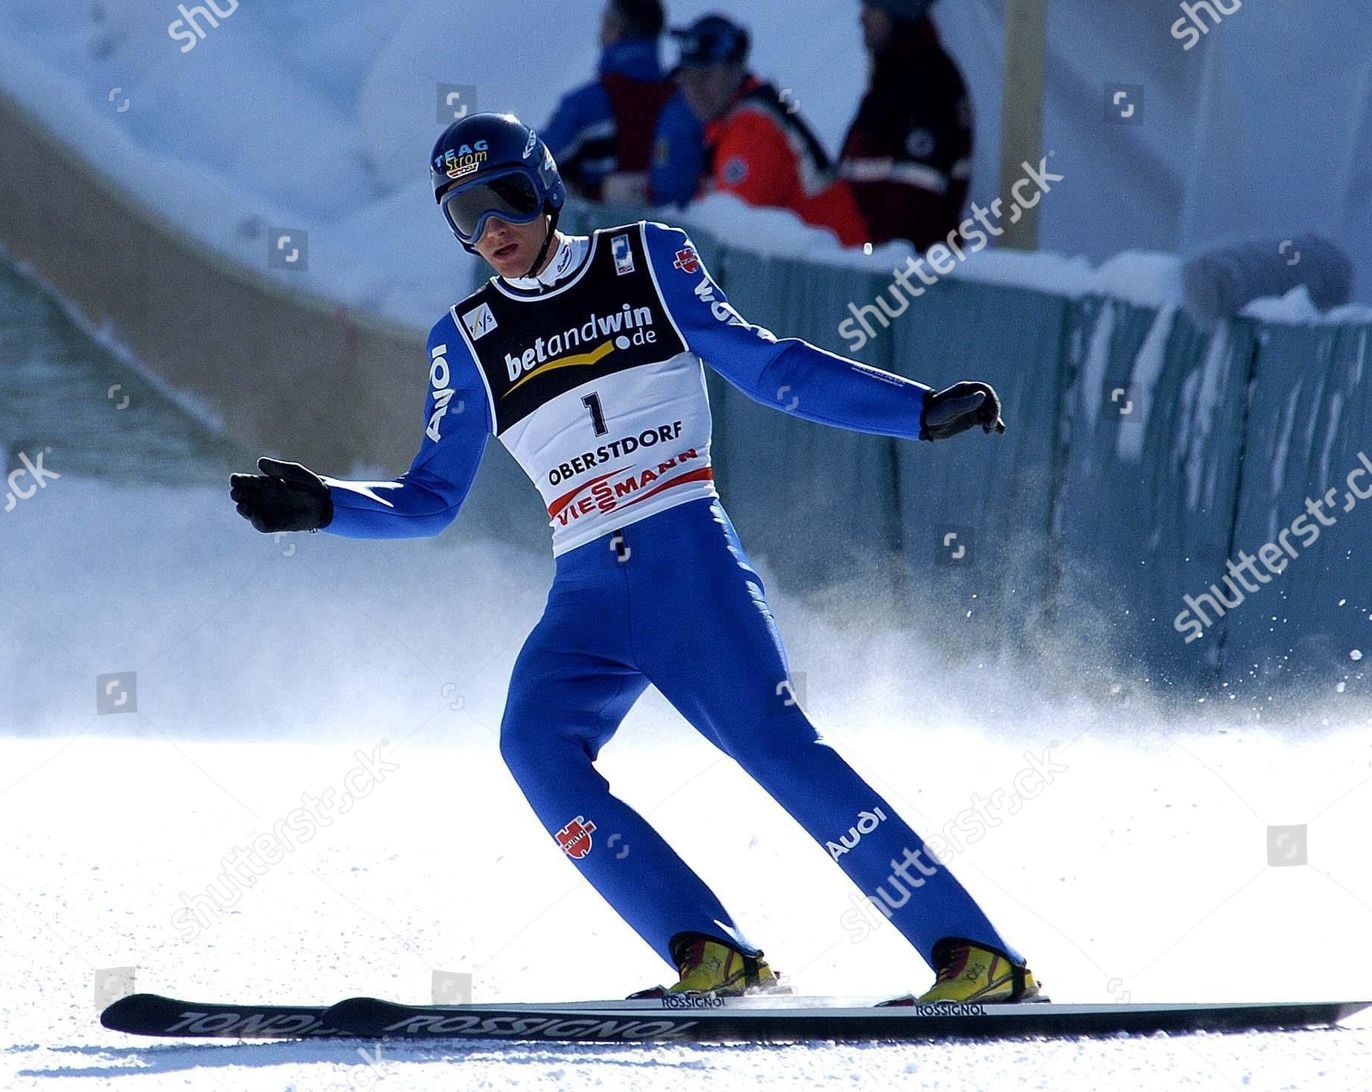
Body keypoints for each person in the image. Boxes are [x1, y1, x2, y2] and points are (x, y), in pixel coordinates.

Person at [230, 112, 1041, 1004]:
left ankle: (975, 954)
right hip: (584, 586)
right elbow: (428, 501)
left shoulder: (646, 260)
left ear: (546, 190)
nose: (491, 229)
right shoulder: (462, 341)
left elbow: (771, 369)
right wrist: (328, 507)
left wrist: (915, 411)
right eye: (465, 216)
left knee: (776, 750)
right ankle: (709, 949)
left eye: (504, 199)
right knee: (535, 746)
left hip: (683, 554)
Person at [670, 13, 867, 247]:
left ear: (735, 70)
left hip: (830, 273)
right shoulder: (733, 121)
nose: (694, 89)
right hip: (817, 271)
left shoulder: (752, 128)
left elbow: (730, 232)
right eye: (687, 78)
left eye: (705, 77)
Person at [839, 0, 974, 250]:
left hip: (904, 275)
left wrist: (881, 266)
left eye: (872, 9)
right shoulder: (893, 79)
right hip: (878, 264)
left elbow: (916, 204)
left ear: (898, 16)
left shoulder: (928, 85)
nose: (861, 19)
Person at [542, 0, 702, 207]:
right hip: (681, 234)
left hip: (603, 231)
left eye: (604, 24)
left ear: (614, 31)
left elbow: (533, 164)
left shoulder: (585, 106)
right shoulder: (689, 104)